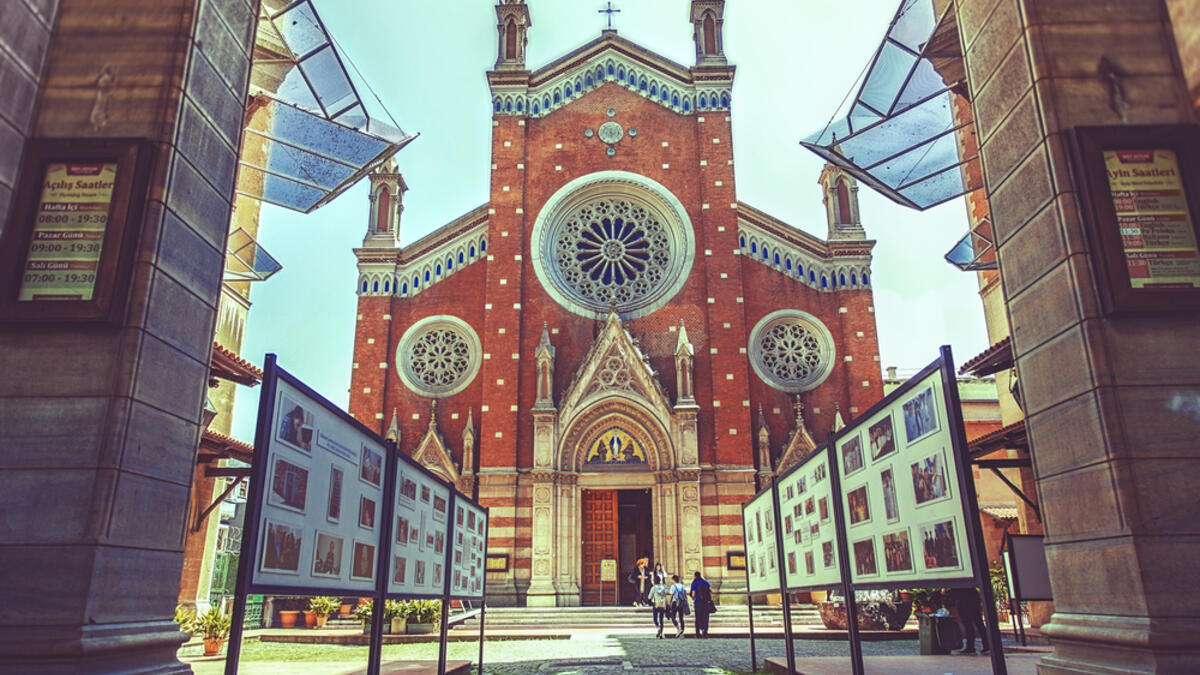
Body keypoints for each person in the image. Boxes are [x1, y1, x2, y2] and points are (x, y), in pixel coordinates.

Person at [948, 587, 989, 655]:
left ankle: (972, 647)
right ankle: (985, 645)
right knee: (977, 623)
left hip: (963, 597)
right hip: (970, 597)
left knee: (970, 624)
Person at [689, 570, 714, 638]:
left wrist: (693, 598)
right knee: (705, 617)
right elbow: (711, 590)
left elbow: (693, 594)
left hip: (698, 603)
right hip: (705, 602)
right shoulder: (705, 582)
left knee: (698, 618)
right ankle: (705, 632)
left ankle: (698, 633)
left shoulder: (694, 583)